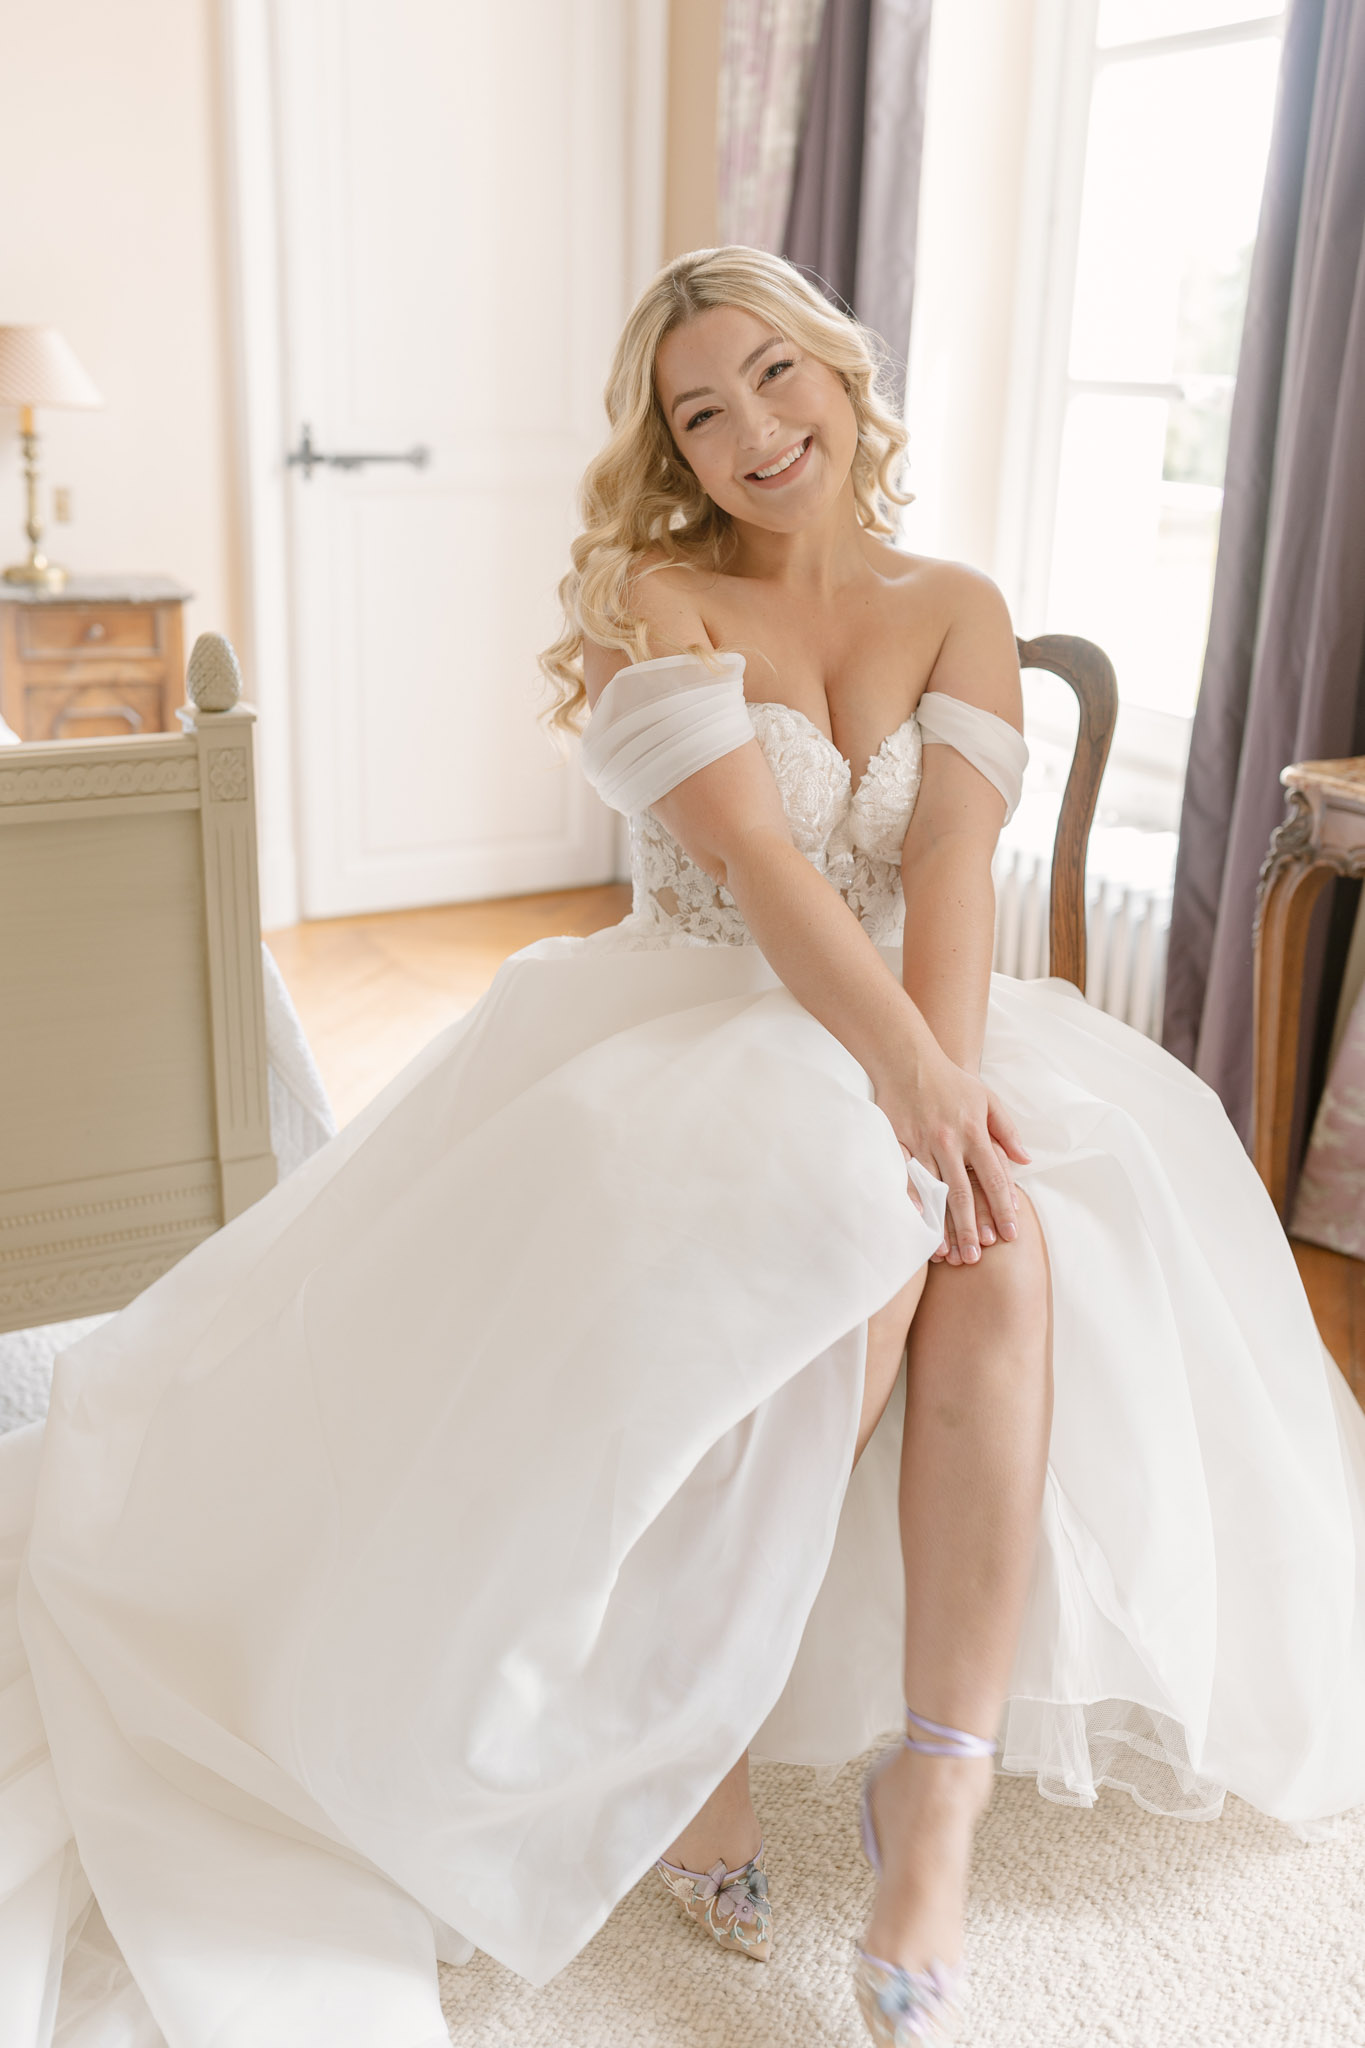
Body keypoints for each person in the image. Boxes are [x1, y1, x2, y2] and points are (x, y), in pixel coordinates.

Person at [3, 247, 1364, 2048]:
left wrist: (945, 1102)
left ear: (842, 380)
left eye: (773, 380)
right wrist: (903, 1096)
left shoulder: (957, 598)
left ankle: (930, 1801)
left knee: (1000, 1242)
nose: (748, 433)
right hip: (710, 1016)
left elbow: (946, 871)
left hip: (927, 1025)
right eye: (698, 413)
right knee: (864, 1246)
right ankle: (683, 1728)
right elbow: (769, 872)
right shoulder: (662, 593)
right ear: (672, 452)